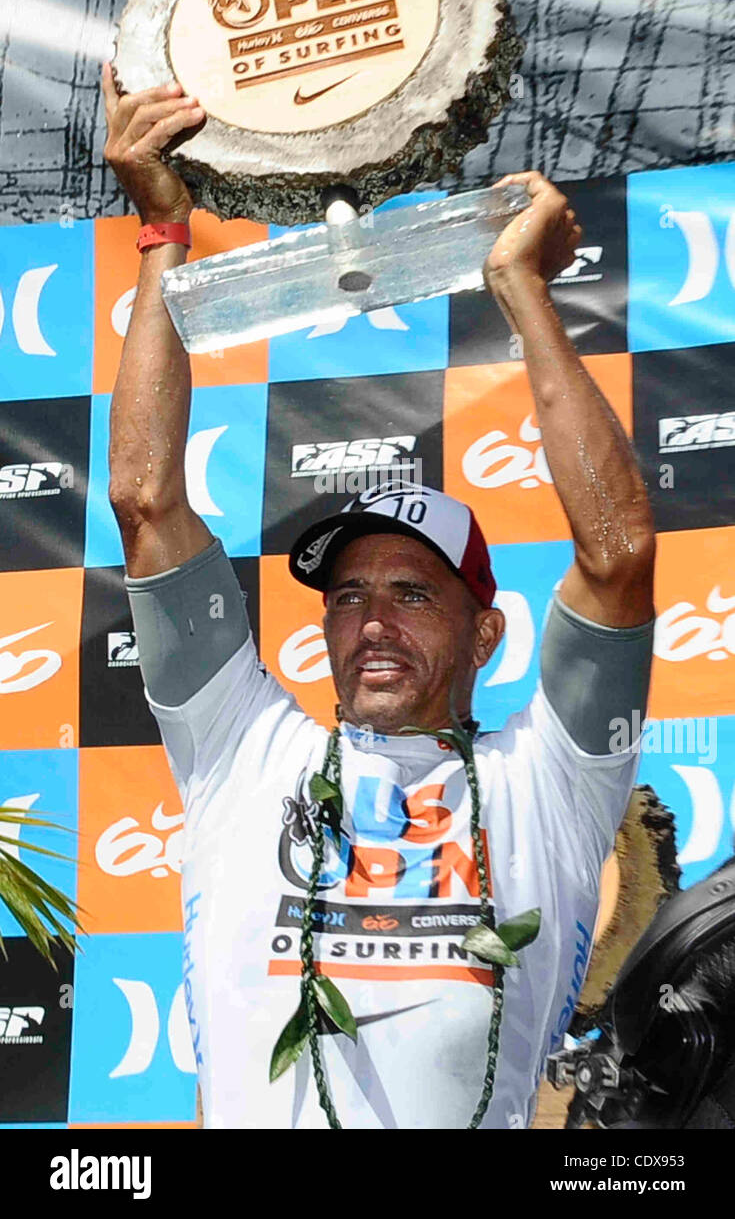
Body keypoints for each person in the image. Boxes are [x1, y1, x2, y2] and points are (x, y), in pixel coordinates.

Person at [102, 63, 657, 1130]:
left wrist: (524, 293)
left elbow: (620, 550)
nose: (371, 621)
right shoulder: (237, 745)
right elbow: (143, 498)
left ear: (486, 629)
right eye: (348, 596)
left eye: (411, 592)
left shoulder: (550, 778)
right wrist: (163, 237)